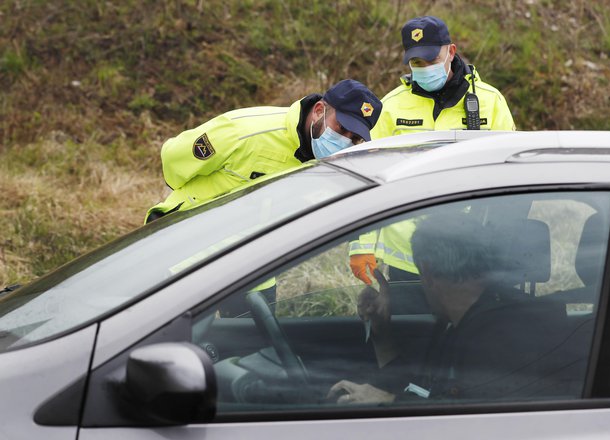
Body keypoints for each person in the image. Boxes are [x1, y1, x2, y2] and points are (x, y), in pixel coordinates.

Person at [330, 212, 567, 404]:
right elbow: (420, 390)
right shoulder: (461, 323)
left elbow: (467, 423)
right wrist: (382, 338)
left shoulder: (500, 337)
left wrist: (390, 401)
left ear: (427, 272)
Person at [349, 16, 516, 284]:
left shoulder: (489, 102)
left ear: (451, 51)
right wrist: (361, 244)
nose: (425, 68)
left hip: (471, 251)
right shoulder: (390, 107)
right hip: (406, 256)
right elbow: (366, 176)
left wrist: (500, 243)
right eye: (417, 63)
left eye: (432, 60)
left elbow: (511, 177)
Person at [145, 79, 382, 223]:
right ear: (319, 110)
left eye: (355, 138)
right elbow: (174, 160)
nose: (345, 141)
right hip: (184, 248)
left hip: (254, 269)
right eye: (342, 128)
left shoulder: (331, 166)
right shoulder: (244, 130)